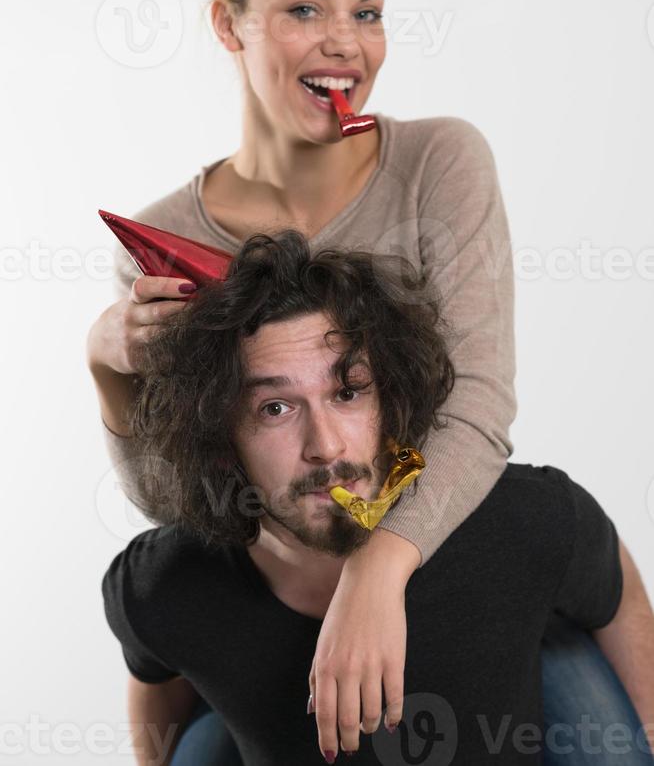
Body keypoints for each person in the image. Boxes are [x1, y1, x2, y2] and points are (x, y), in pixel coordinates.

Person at [87, 0, 650, 764]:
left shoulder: (439, 162)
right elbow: (185, 494)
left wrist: (378, 571)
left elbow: (479, 403)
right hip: (281, 588)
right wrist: (107, 369)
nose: (347, 43)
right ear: (230, 26)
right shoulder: (164, 236)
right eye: (305, 10)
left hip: (448, 553)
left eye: (370, 13)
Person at [101, 230, 654, 765]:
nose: (326, 446)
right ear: (220, 437)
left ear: (391, 398)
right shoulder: (163, 582)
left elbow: (616, 595)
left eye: (348, 391)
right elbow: (155, 678)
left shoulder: (524, 519)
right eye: (275, 408)